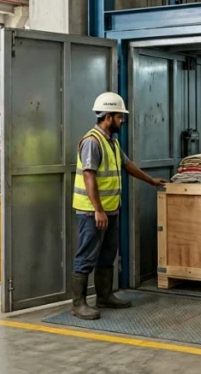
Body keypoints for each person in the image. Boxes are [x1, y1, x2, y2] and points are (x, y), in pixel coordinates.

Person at [71, 92, 166, 320]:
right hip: (91, 212)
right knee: (87, 255)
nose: (122, 120)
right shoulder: (92, 142)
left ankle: (104, 296)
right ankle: (78, 304)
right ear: (108, 116)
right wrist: (98, 210)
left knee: (107, 254)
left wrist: (151, 181)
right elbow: (89, 177)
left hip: (111, 209)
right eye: (119, 117)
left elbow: (127, 165)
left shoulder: (111, 142)